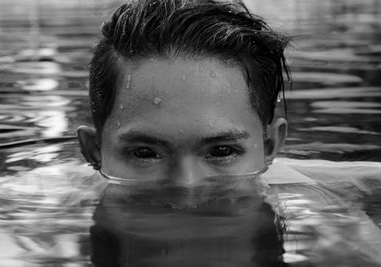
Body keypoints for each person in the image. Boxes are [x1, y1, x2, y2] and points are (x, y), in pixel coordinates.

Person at [76, 0, 381, 266]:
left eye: (221, 151)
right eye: (145, 153)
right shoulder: (38, 206)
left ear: (271, 145)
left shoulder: (329, 224)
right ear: (94, 151)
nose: (187, 188)